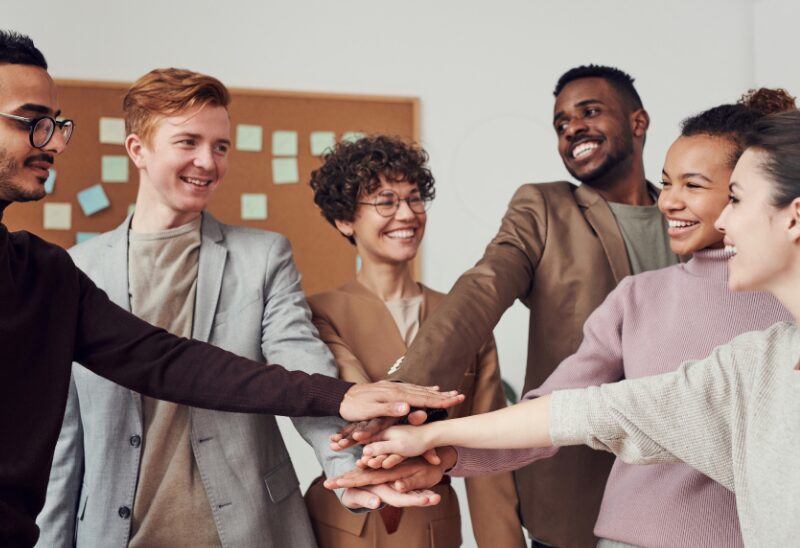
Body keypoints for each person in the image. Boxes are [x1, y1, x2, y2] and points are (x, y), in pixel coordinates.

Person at [0, 30, 462, 548]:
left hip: (246, 529)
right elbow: (62, 436)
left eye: (220, 146)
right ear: (137, 149)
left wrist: (346, 463)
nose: (208, 161)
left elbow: (258, 359)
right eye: (188, 142)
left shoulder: (259, 257)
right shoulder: (75, 269)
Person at [334, 90, 796, 547]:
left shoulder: (775, 327)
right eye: (667, 183)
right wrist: (441, 447)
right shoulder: (644, 300)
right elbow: (565, 409)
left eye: (694, 186)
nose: (668, 202)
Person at [303, 135, 525, 547]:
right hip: (342, 527)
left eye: (414, 199)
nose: (406, 213)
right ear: (345, 220)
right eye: (385, 202)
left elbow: (490, 447)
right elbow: (354, 406)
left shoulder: (464, 314)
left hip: (432, 525)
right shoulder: (317, 313)